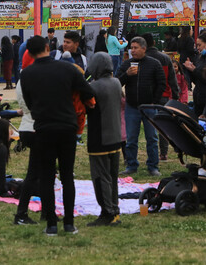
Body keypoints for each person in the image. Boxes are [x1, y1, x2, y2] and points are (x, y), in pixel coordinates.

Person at [20, 35, 95, 236]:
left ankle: (51, 224)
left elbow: (29, 102)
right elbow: (87, 92)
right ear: (47, 47)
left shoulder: (27, 75)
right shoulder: (68, 69)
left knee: (46, 176)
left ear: (29, 52)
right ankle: (69, 223)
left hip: (43, 127)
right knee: (67, 176)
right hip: (67, 126)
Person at [117, 36, 166, 177]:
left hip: (149, 107)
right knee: (131, 138)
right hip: (132, 106)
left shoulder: (154, 64)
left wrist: (154, 101)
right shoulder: (127, 64)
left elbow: (161, 83)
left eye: (135, 48)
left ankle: (153, 166)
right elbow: (117, 82)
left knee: (152, 138)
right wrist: (127, 75)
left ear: (144, 49)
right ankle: (131, 165)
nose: (132, 51)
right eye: (131, 48)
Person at [85, 52, 123, 227]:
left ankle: (107, 212)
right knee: (113, 177)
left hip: (99, 137)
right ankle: (115, 210)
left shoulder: (94, 86)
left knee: (101, 177)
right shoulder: (116, 83)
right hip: (115, 136)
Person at [142, 33, 179, 161]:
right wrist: (176, 94)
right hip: (165, 95)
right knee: (163, 126)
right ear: (154, 42)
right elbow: (172, 78)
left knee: (149, 127)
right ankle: (163, 152)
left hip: (147, 97)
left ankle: (151, 154)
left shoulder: (143, 59)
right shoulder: (165, 58)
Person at [13, 56, 38, 225]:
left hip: (27, 126)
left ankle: (24, 212)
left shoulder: (22, 80)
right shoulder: (36, 78)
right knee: (37, 172)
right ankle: (21, 213)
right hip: (37, 127)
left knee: (37, 171)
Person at [183, 31, 206, 116]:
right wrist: (190, 70)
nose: (197, 48)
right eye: (196, 45)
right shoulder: (201, 57)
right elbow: (197, 80)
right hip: (199, 98)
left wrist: (194, 70)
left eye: (199, 45)